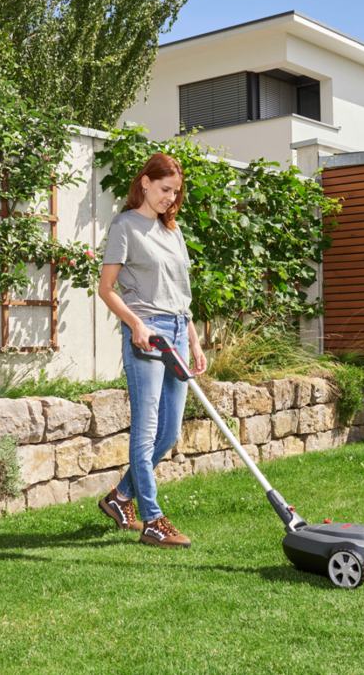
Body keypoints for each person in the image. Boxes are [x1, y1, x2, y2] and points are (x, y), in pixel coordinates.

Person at [97, 152, 207, 549]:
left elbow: (180, 295)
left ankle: (119, 497)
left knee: (170, 431)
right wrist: (136, 323)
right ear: (145, 183)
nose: (169, 198)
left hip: (177, 330)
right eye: (164, 189)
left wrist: (193, 340)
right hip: (146, 334)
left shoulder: (172, 231)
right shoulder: (125, 226)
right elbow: (106, 289)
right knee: (145, 431)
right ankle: (153, 520)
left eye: (175, 192)